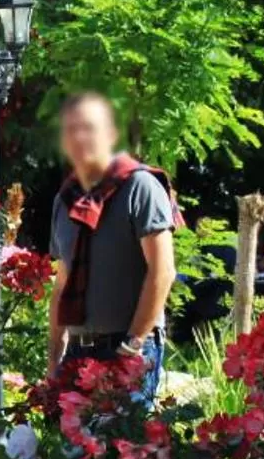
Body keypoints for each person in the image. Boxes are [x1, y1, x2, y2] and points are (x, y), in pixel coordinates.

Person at [47, 91, 177, 407]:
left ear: (110, 134)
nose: (79, 137)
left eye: (88, 128)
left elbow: (163, 272)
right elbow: (62, 282)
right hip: (78, 351)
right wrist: (54, 357)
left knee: (122, 448)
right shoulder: (65, 201)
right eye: (71, 129)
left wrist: (133, 345)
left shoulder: (140, 187)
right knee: (72, 453)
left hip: (129, 346)